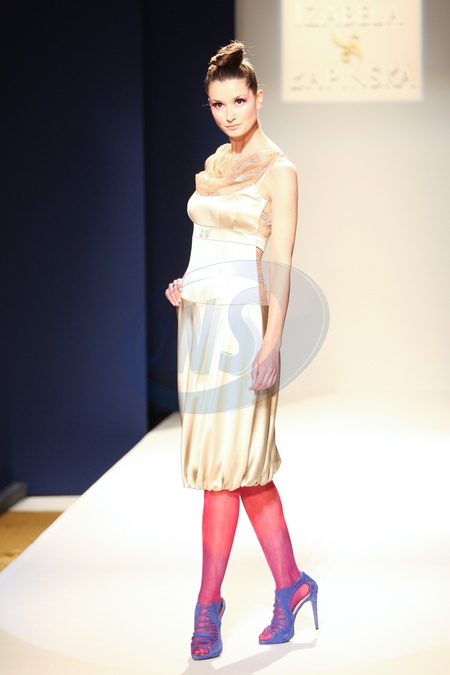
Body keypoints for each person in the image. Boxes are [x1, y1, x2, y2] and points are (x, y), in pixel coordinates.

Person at [165, 40, 318, 660]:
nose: (229, 113)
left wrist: (273, 342)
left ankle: (207, 607)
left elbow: (279, 263)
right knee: (238, 471)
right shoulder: (214, 164)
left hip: (244, 330)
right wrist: (185, 284)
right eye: (217, 104)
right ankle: (292, 586)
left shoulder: (281, 171)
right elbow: (205, 244)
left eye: (238, 100)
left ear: (259, 97)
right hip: (200, 325)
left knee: (229, 473)